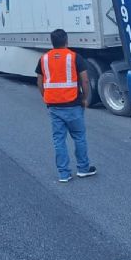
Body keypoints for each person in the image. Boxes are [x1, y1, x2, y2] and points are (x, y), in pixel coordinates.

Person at [36, 29, 95, 183]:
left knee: (59, 140)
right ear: (66, 41)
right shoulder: (74, 57)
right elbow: (85, 80)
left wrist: (46, 97)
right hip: (73, 104)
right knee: (79, 137)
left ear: (52, 42)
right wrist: (84, 98)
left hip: (54, 106)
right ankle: (83, 169)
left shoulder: (44, 59)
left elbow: (40, 81)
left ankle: (64, 173)